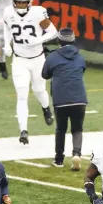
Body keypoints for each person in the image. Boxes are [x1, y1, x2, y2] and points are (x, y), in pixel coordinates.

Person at [3, 0, 57, 145]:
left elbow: (53, 31)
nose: (20, 5)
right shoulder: (7, 12)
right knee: (22, 94)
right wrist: (7, 44)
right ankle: (23, 130)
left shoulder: (38, 13)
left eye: (23, 2)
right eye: (18, 2)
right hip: (19, 59)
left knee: (39, 90)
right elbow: (6, 28)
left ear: (30, 1)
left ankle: (46, 108)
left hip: (38, 59)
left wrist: (38, 40)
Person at [42, 28, 87, 170]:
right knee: (77, 129)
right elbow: (82, 69)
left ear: (58, 40)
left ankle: (59, 159)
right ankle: (77, 154)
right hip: (80, 97)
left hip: (60, 99)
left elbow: (45, 75)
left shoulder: (53, 57)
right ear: (73, 40)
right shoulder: (80, 56)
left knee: (61, 129)